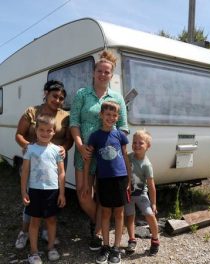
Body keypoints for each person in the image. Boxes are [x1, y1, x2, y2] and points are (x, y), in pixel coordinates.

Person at [70, 50, 129, 251]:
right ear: (94, 72)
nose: (103, 74)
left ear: (112, 75)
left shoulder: (117, 98)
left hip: (108, 157)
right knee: (84, 194)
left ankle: (97, 232)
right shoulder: (82, 94)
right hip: (85, 152)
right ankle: (102, 223)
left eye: (107, 72)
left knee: (102, 195)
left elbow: (123, 127)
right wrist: (79, 145)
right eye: (100, 71)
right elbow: (74, 122)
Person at [15, 80, 72, 249]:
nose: (58, 100)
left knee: (51, 197)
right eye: (55, 96)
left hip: (56, 160)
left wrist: (64, 147)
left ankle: (47, 231)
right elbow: (19, 134)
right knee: (31, 197)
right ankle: (24, 231)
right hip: (33, 159)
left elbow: (68, 139)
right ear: (46, 93)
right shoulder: (32, 111)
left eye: (61, 98)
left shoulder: (65, 116)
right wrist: (27, 146)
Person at [83, 101, 131, 264]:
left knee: (118, 213)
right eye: (107, 114)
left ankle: (116, 248)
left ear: (117, 117)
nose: (111, 117)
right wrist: (86, 182)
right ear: (101, 115)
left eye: (114, 115)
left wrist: (129, 179)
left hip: (120, 179)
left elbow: (125, 157)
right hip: (103, 180)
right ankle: (105, 246)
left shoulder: (120, 135)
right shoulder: (95, 136)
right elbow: (88, 161)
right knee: (104, 213)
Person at [20, 115, 66, 264]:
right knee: (35, 221)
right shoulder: (30, 149)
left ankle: (51, 247)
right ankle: (33, 252)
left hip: (52, 191)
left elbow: (61, 173)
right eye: (42, 130)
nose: (45, 133)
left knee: (51, 220)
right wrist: (24, 191)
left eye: (49, 130)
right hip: (34, 190)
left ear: (54, 132)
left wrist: (62, 193)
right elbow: (25, 172)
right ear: (36, 130)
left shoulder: (57, 150)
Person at [124, 130, 160, 256]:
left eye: (141, 143)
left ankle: (155, 239)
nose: (137, 145)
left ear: (148, 147)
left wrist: (154, 203)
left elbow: (151, 186)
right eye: (134, 142)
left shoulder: (146, 165)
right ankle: (132, 239)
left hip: (141, 194)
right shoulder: (128, 157)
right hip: (128, 194)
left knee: (149, 214)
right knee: (129, 216)